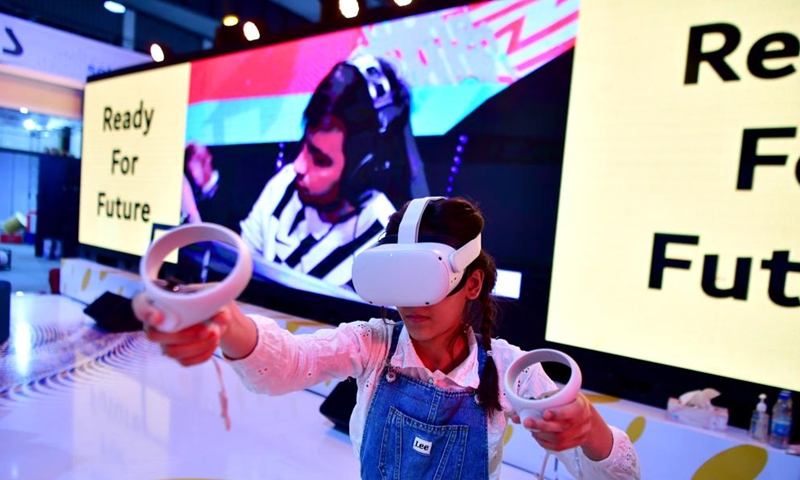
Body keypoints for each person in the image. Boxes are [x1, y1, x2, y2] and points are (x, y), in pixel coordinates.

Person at [133, 197, 641, 480]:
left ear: (472, 283)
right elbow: (287, 363)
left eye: (425, 282)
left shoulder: (511, 371)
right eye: (396, 283)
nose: (410, 303)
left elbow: (619, 477)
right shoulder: (371, 346)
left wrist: (587, 428)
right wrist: (227, 321)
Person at [238, 54, 428, 289]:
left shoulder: (386, 246)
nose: (298, 166)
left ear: (360, 170)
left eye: (319, 160)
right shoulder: (284, 184)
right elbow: (239, 271)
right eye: (305, 145)